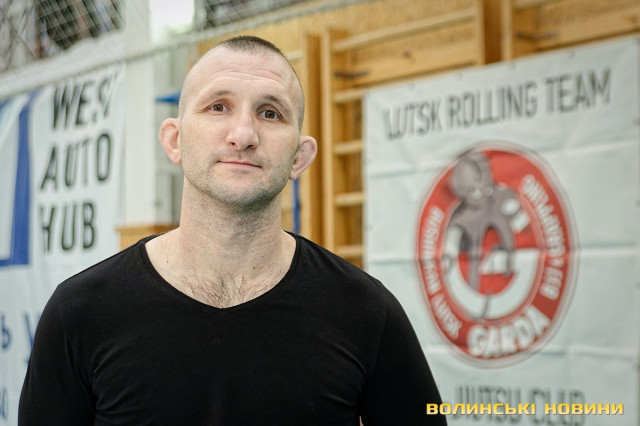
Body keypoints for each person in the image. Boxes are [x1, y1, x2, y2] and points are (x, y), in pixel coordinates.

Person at [19, 35, 446, 425]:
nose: (243, 135)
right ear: (174, 140)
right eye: (218, 107)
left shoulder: (367, 313)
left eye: (270, 113)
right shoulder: (80, 313)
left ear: (299, 157)